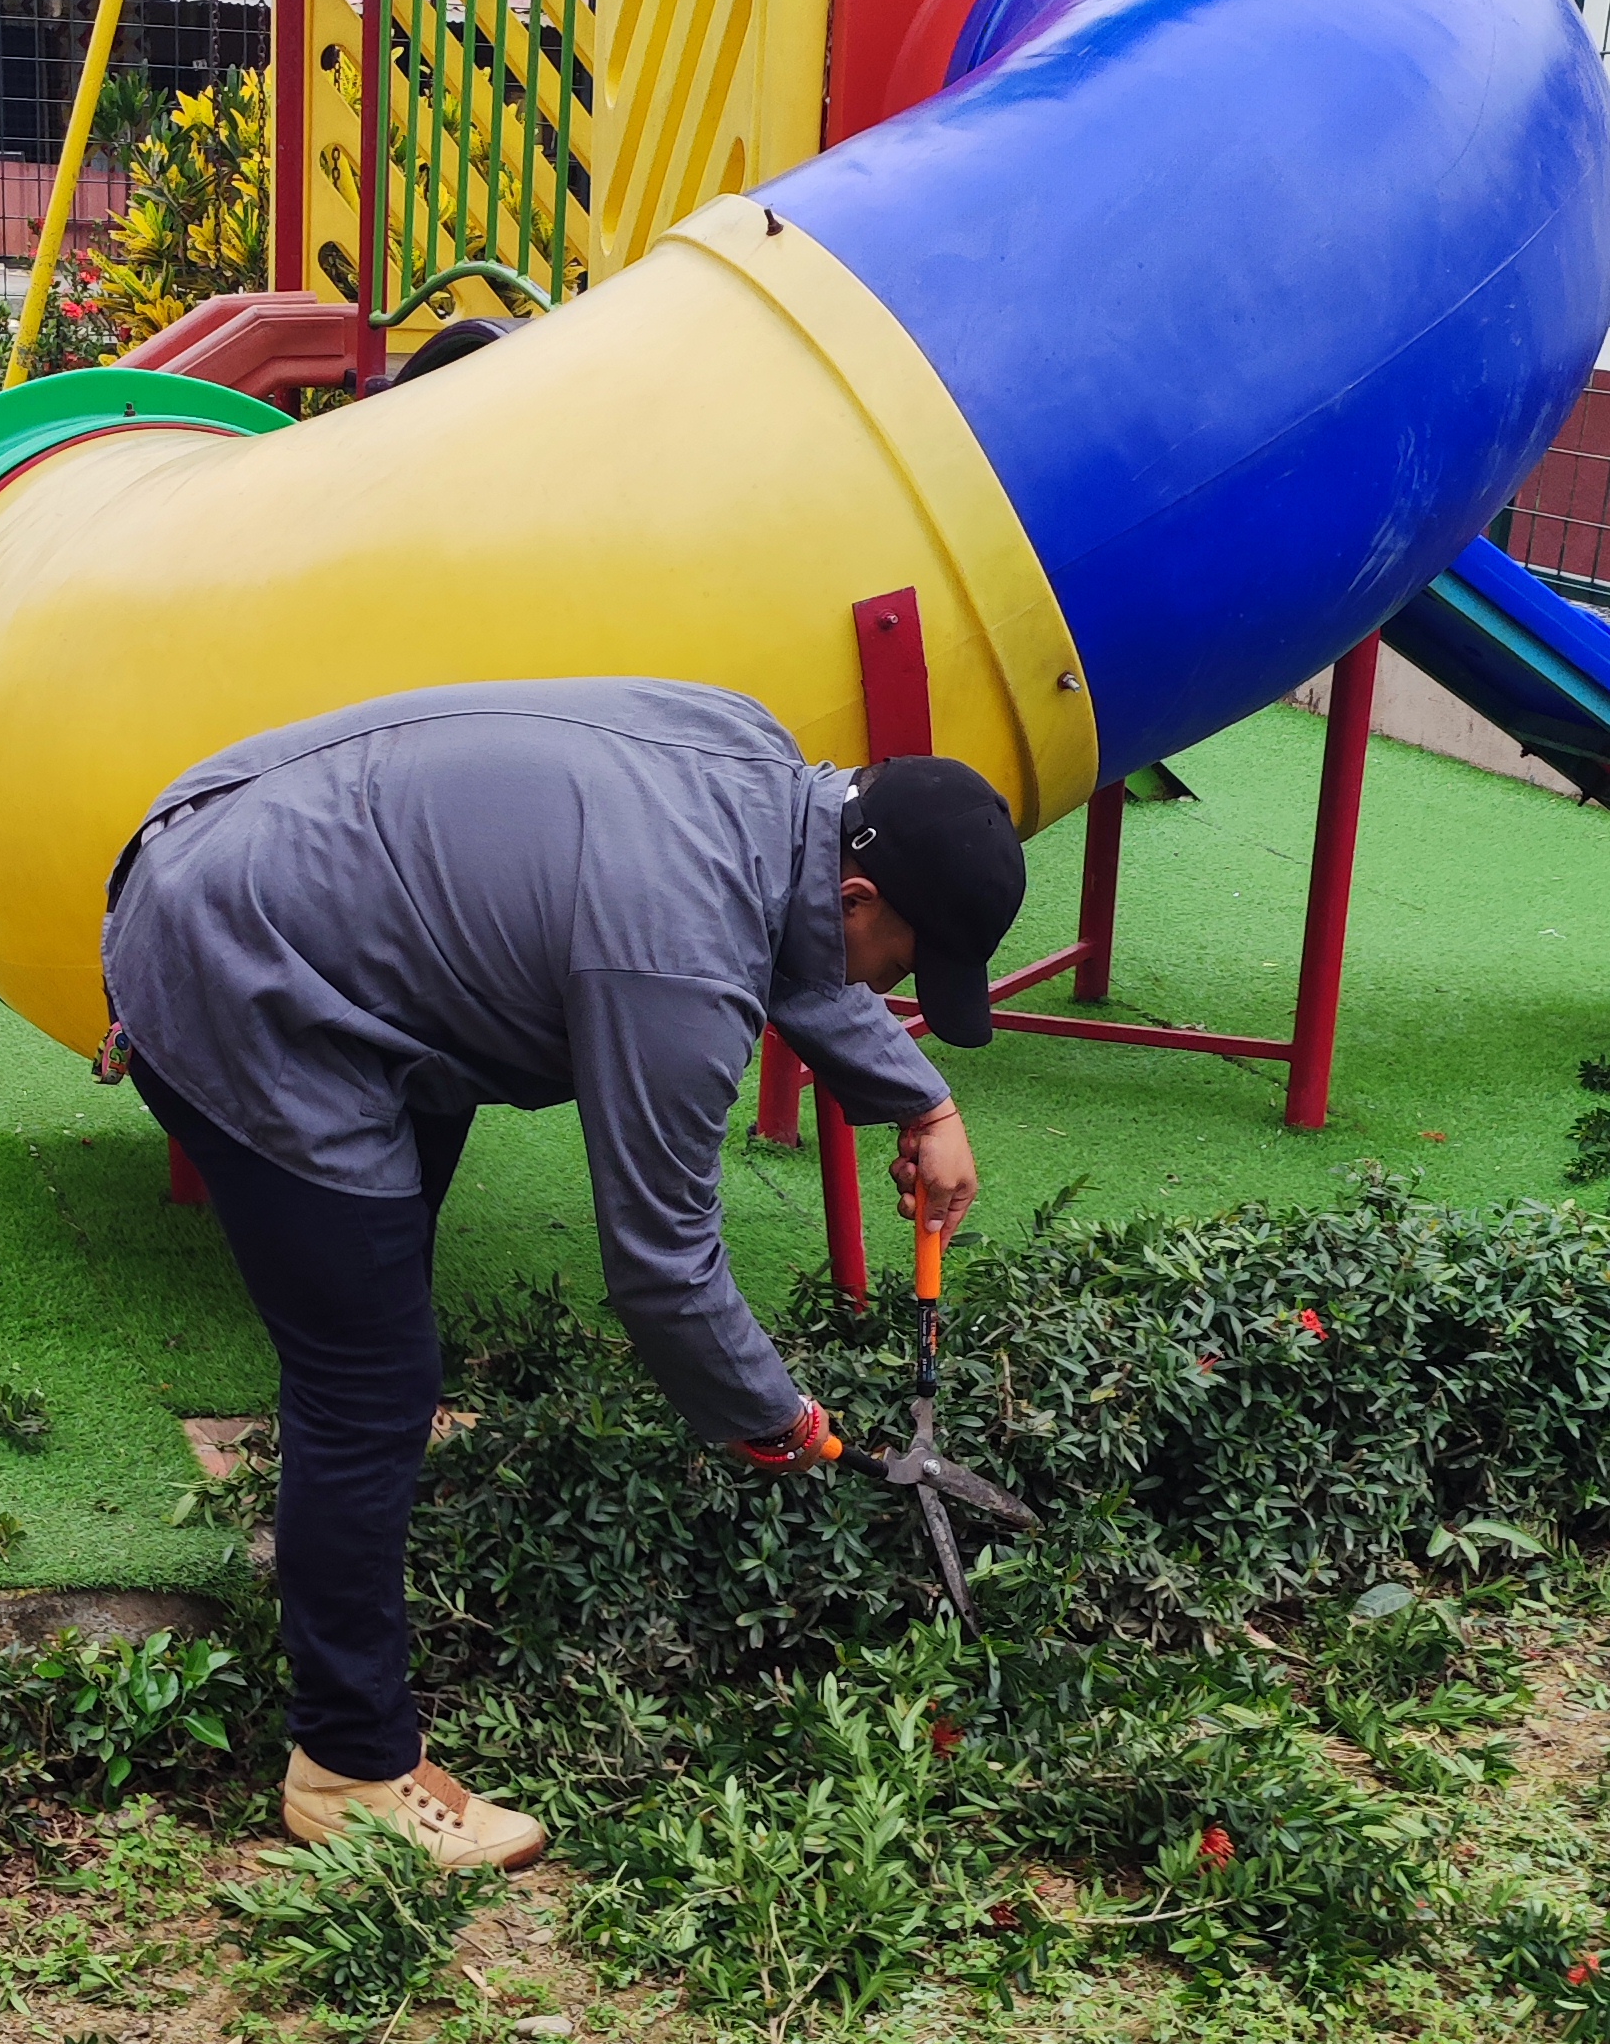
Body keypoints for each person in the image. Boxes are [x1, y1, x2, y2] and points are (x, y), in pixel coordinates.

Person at [101, 680, 1026, 1872]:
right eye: (898, 963)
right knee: (368, 1378)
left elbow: (795, 943)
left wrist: (922, 1099)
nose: (889, 991)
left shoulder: (762, 769)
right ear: (859, 893)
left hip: (300, 875)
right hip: (238, 957)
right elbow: (662, 1269)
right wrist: (775, 1419)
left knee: (373, 1314)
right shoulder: (677, 960)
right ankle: (347, 1766)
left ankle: (350, 1533)